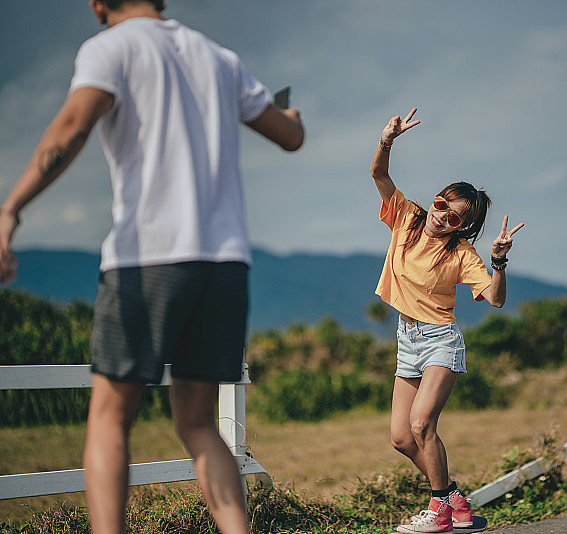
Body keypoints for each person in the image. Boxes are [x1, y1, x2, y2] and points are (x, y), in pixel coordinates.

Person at [0, 1, 304, 533]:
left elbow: (69, 129)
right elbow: (289, 135)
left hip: (148, 259)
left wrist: (10, 209)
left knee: (111, 417)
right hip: (224, 263)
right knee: (200, 424)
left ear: (97, 4)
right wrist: (293, 116)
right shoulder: (220, 57)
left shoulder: (110, 48)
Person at [371, 108, 523, 533]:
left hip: (440, 341)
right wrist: (388, 140)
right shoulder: (408, 217)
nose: (441, 216)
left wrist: (499, 262)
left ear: (465, 227)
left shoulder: (461, 254)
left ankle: (440, 510)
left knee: (422, 425)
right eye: (441, 204)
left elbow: (494, 299)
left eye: (454, 217)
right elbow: (380, 177)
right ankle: (454, 498)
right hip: (407, 340)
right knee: (401, 437)